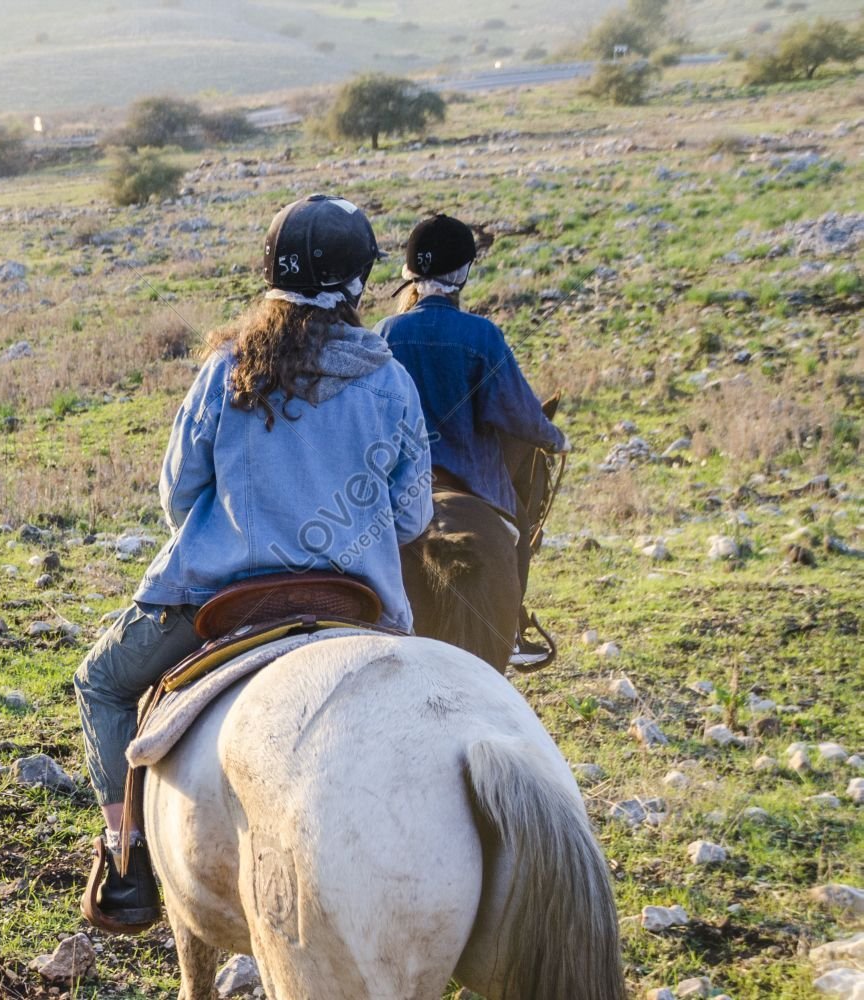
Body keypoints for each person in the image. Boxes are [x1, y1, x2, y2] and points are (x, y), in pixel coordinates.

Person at [75, 194, 433, 933]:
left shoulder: (226, 369)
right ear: (360, 283)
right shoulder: (392, 382)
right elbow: (412, 517)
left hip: (223, 597)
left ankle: (127, 858)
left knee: (103, 682)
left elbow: (178, 494)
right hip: (354, 603)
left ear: (269, 273)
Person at [375, 213, 568, 667]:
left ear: (410, 275)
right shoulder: (482, 337)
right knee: (516, 532)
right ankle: (515, 629)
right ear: (462, 273)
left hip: (395, 493)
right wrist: (556, 439)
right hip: (475, 486)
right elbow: (522, 414)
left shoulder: (386, 334)